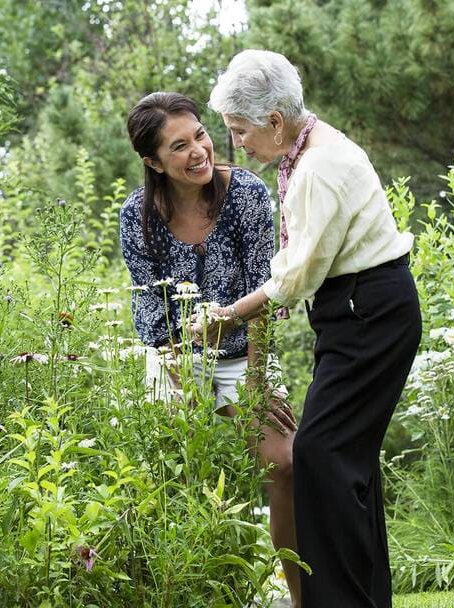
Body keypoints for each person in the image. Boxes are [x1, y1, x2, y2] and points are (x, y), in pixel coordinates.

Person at [201, 50, 422, 608]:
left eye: (239, 130)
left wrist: (227, 315)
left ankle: (340, 602)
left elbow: (295, 277)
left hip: (367, 314)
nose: (237, 145)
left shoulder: (318, 168)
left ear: (275, 121)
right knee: (344, 459)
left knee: (322, 456)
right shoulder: (312, 148)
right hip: (365, 311)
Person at [121, 91, 302, 606]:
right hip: (174, 356)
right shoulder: (138, 214)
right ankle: (199, 591)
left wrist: (260, 377)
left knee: (284, 461)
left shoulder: (244, 192)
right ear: (154, 161)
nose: (198, 151)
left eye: (199, 135)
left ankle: (300, 597)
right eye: (178, 147)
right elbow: (147, 299)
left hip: (245, 353)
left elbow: (267, 289)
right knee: (173, 474)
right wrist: (177, 365)